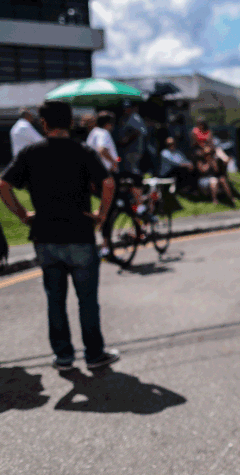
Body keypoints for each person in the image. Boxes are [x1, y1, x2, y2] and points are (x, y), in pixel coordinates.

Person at [0, 101, 120, 371]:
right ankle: (94, 353)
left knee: (55, 299)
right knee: (87, 299)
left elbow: (4, 184)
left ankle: (63, 357)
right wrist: (101, 214)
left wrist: (22, 214)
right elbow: (108, 181)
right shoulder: (83, 151)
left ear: (43, 124)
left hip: (45, 235)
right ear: (70, 123)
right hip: (79, 233)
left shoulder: (31, 152)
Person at [118, 100, 148, 215]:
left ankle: (137, 196)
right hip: (127, 151)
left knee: (134, 174)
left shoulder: (135, 118)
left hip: (134, 150)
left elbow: (140, 132)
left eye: (128, 107)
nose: (126, 110)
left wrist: (127, 139)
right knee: (128, 172)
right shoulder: (125, 118)